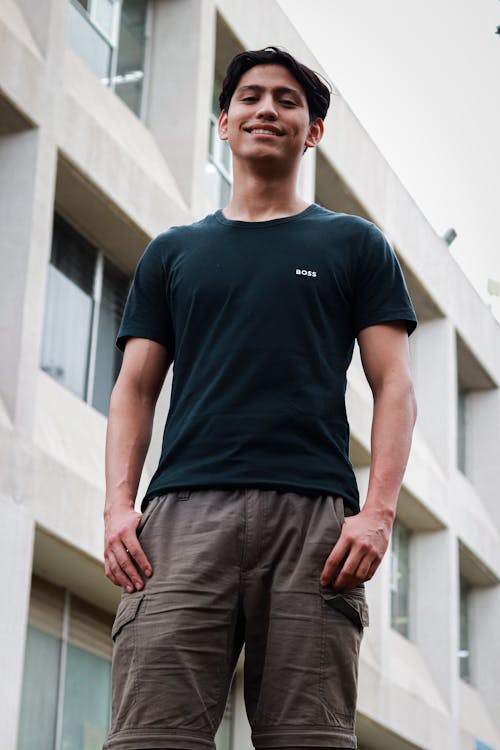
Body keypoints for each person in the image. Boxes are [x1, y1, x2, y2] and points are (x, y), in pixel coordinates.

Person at [103, 46, 417, 750]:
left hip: (315, 523)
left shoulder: (355, 244)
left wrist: (378, 514)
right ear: (223, 122)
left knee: (311, 739)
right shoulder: (173, 253)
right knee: (151, 736)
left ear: (312, 132)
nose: (266, 109)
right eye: (249, 96)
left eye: (286, 100)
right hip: (182, 520)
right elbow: (136, 386)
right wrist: (119, 505)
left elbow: (393, 383)